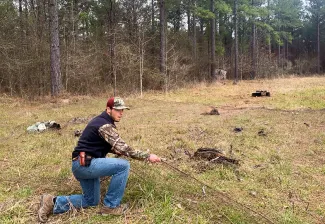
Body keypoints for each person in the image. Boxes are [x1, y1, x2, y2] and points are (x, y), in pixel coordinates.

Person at [38, 97, 161, 222]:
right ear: (108, 109)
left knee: (91, 201)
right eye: (118, 110)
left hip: (81, 164)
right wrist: (147, 156)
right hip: (86, 164)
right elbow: (124, 148)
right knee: (123, 166)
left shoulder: (100, 121)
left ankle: (52, 202)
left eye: (123, 110)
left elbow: (104, 146)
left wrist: (115, 151)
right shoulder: (105, 125)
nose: (121, 113)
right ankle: (111, 207)